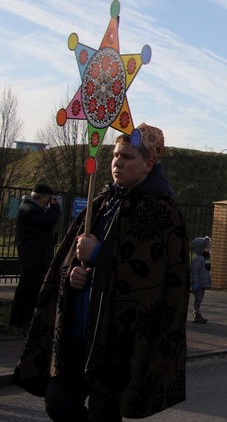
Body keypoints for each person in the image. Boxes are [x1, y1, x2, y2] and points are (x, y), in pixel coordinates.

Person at [12, 123, 190, 420]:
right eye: (116, 155)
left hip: (116, 338)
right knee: (58, 404)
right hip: (77, 333)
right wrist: (73, 274)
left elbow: (154, 277)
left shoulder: (162, 210)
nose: (118, 162)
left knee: (102, 412)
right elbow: (70, 256)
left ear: (149, 164)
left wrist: (97, 254)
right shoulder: (102, 202)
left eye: (128, 157)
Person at [8, 184, 61, 331]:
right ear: (42, 197)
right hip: (34, 257)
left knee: (29, 289)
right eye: (49, 198)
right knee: (29, 290)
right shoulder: (31, 210)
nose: (50, 201)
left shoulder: (29, 209)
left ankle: (21, 320)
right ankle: (21, 321)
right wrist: (55, 208)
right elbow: (48, 222)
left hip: (34, 256)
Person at [191, 236, 212, 324]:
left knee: (200, 299)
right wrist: (195, 283)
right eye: (206, 248)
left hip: (203, 283)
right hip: (199, 284)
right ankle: (197, 314)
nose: (208, 250)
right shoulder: (198, 259)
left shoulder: (205, 259)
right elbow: (194, 271)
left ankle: (197, 313)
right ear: (200, 249)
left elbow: (206, 272)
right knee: (198, 299)